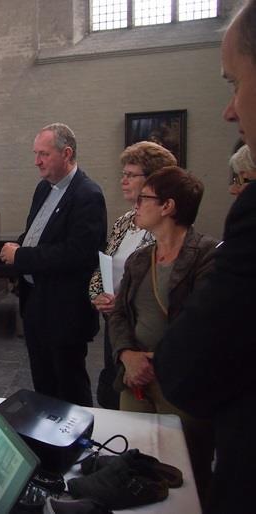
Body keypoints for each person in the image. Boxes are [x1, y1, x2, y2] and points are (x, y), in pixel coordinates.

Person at [154, 2, 256, 512]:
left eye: (233, 83)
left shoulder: (211, 247)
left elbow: (195, 361)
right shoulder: (134, 246)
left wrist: (159, 359)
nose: (230, 110)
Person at [107, 166, 216, 505]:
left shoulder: (208, 256)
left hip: (180, 382)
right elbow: (121, 313)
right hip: (135, 379)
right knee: (135, 466)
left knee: (186, 476)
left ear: (168, 206)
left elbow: (203, 324)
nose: (136, 205)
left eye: (144, 198)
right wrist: (127, 355)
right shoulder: (140, 258)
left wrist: (155, 360)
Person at [0, 123, 107, 406]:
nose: (37, 161)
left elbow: (78, 254)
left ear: (67, 153)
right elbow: (37, 232)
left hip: (65, 310)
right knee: (44, 384)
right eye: (36, 154)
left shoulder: (87, 195)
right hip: (37, 304)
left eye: (44, 154)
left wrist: (21, 257)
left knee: (70, 388)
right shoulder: (44, 188)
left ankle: (79, 446)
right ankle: (48, 444)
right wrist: (20, 246)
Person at [89, 141, 177, 409]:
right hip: (115, 322)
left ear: (153, 180)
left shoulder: (167, 224)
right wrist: (97, 295)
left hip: (145, 332)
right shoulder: (124, 221)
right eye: (123, 174)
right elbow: (103, 264)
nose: (123, 181)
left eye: (131, 175)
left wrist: (125, 302)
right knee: (111, 392)